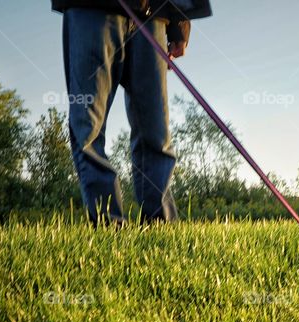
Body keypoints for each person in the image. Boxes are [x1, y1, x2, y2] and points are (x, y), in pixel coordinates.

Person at [51, 0, 212, 224]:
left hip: (154, 12)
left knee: (155, 131)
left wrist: (179, 24)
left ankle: (160, 223)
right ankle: (109, 224)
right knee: (88, 127)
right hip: (91, 9)